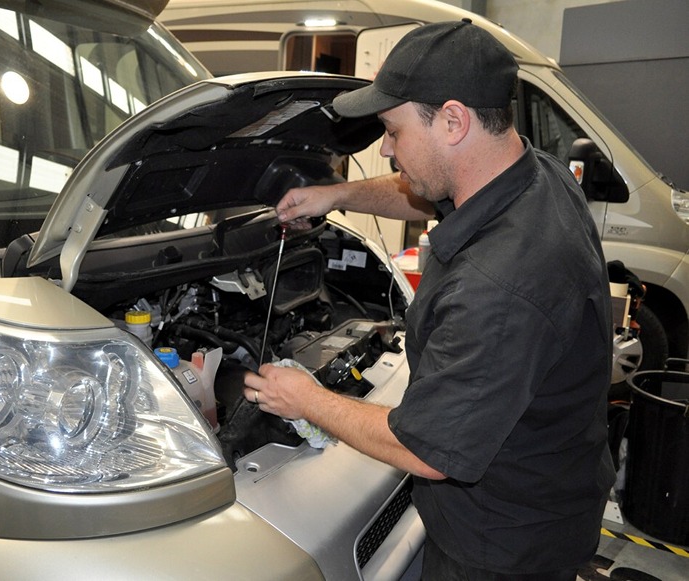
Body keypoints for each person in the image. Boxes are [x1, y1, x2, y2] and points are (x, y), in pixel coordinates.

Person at [243, 19, 615, 580]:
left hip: (501, 547)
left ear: (453, 120)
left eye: (393, 131)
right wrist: (334, 195)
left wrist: (306, 398)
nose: (388, 149)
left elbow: (428, 451)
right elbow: (427, 196)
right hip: (543, 489)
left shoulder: (501, 285)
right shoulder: (531, 174)